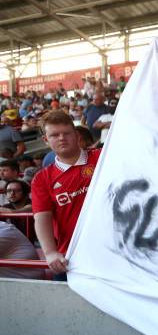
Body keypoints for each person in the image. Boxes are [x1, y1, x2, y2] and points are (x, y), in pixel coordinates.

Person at [31, 110, 101, 280]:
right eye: (55, 135)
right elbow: (42, 218)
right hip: (70, 258)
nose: (62, 138)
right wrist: (49, 252)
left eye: (66, 133)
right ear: (46, 140)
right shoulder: (41, 179)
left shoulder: (102, 157)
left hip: (115, 251)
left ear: (76, 135)